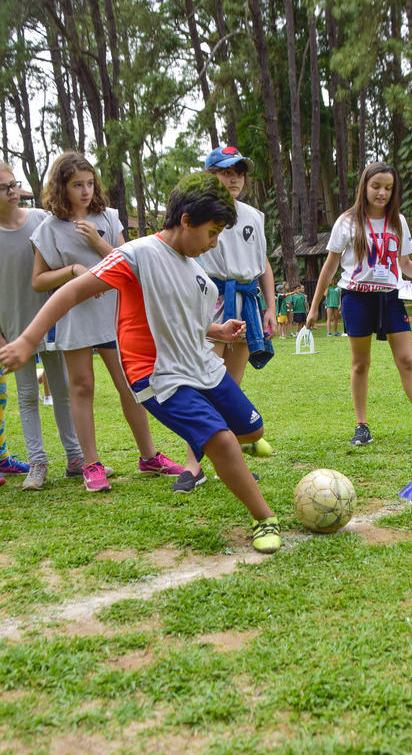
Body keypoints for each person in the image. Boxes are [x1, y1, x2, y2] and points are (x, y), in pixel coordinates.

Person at [0, 173, 281, 553]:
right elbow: (70, 291)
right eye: (212, 233)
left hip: (200, 364)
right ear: (185, 221)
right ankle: (265, 518)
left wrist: (217, 329)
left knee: (251, 431)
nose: (214, 243)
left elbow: (183, 317)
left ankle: (243, 444)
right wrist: (26, 341)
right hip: (158, 374)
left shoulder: (193, 265)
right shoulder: (138, 255)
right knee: (223, 441)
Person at [30, 151, 183, 492]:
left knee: (131, 386)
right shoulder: (48, 229)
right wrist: (71, 271)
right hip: (74, 318)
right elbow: (38, 281)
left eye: (89, 183)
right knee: (81, 388)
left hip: (115, 316)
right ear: (62, 187)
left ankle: (148, 457)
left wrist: (97, 242)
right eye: (76, 185)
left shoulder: (110, 218)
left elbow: (130, 263)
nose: (85, 191)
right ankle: (91, 465)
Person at [306, 161, 412, 446]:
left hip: (391, 296)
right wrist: (314, 307)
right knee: (361, 363)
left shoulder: (397, 221)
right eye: (376, 186)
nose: (382, 193)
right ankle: (361, 425)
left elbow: (405, 263)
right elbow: (330, 266)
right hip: (357, 298)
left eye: (388, 188)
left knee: (407, 360)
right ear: (364, 187)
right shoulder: (347, 222)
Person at [0, 162, 84, 490]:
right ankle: (37, 462)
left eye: (14, 184)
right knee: (26, 395)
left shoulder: (39, 219)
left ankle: (76, 457)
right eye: (5, 187)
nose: (13, 192)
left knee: (61, 389)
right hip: (14, 326)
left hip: (52, 321)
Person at [199, 145, 276, 458]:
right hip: (212, 299)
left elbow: (263, 264)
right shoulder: (200, 211)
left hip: (247, 300)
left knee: (233, 380)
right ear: (211, 175)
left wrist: (270, 307)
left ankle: (233, 440)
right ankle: (199, 454)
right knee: (207, 376)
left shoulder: (253, 216)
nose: (234, 179)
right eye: (226, 171)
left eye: (239, 172)